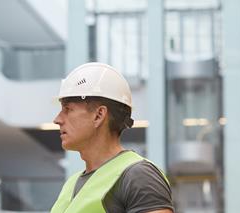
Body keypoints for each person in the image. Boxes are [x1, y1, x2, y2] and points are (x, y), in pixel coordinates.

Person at [50, 63, 174, 213]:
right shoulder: (71, 184)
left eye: (68, 109)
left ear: (99, 115)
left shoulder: (138, 176)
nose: (57, 119)